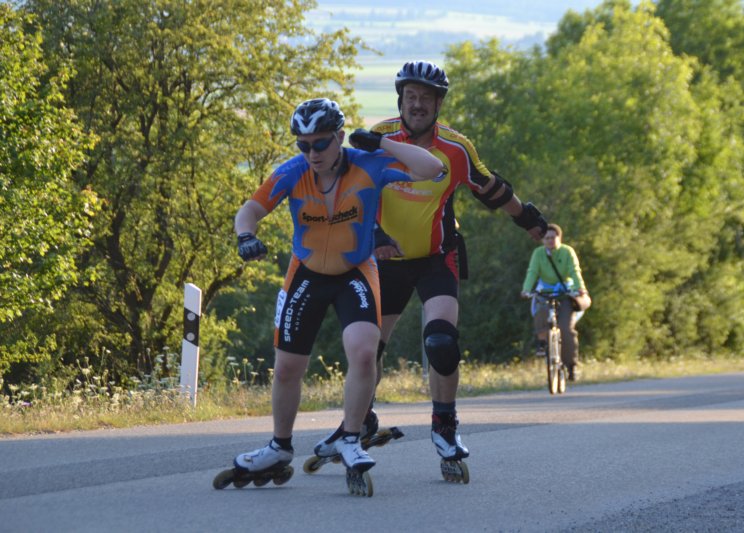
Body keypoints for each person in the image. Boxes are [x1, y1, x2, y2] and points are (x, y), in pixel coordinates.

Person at [317, 60, 548, 469]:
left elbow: (490, 188)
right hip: (385, 260)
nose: (418, 105)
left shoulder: (456, 148)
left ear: (439, 104)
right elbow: (350, 196)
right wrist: (375, 235)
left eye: (426, 98)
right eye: (411, 97)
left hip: (437, 257)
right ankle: (360, 421)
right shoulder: (379, 139)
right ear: (400, 100)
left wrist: (528, 219)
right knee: (368, 350)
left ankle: (445, 426)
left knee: (442, 343)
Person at [230, 98, 444, 480]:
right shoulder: (293, 171)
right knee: (287, 368)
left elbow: (432, 168)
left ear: (340, 137)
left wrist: (382, 143)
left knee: (364, 353)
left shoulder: (369, 164)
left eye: (321, 143)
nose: (312, 153)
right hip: (306, 273)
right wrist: (245, 235)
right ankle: (279, 447)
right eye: (303, 144)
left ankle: (350, 437)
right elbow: (250, 210)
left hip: (355, 272)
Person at [520, 223, 589, 381]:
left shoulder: (567, 252)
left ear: (559, 238)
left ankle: (571, 366)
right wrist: (526, 289)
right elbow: (532, 272)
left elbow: (574, 270)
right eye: (547, 238)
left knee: (566, 329)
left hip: (565, 293)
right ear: (542, 240)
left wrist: (580, 288)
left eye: (553, 237)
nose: (550, 241)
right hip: (545, 292)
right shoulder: (538, 253)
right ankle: (542, 343)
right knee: (540, 312)